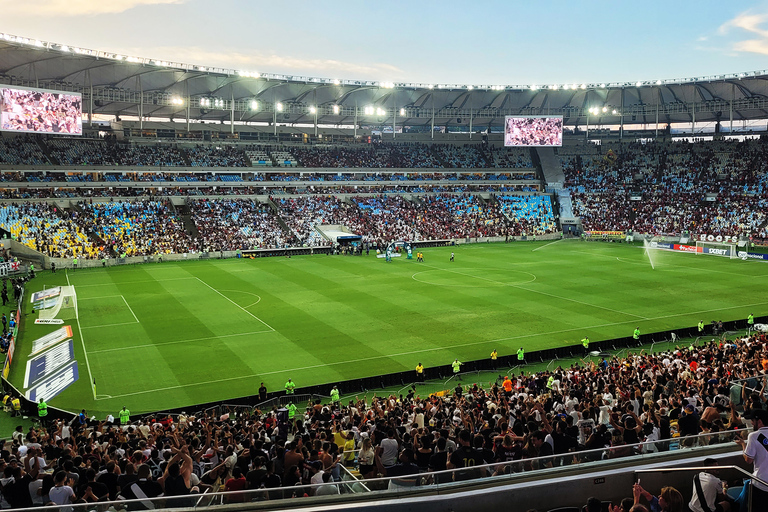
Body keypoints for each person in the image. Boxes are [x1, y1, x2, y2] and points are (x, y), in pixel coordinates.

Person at [734, 408, 768, 510]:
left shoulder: (754, 436)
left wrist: (743, 445)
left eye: (753, 421)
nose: (752, 423)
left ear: (760, 421)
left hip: (761, 483)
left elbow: (748, 460)